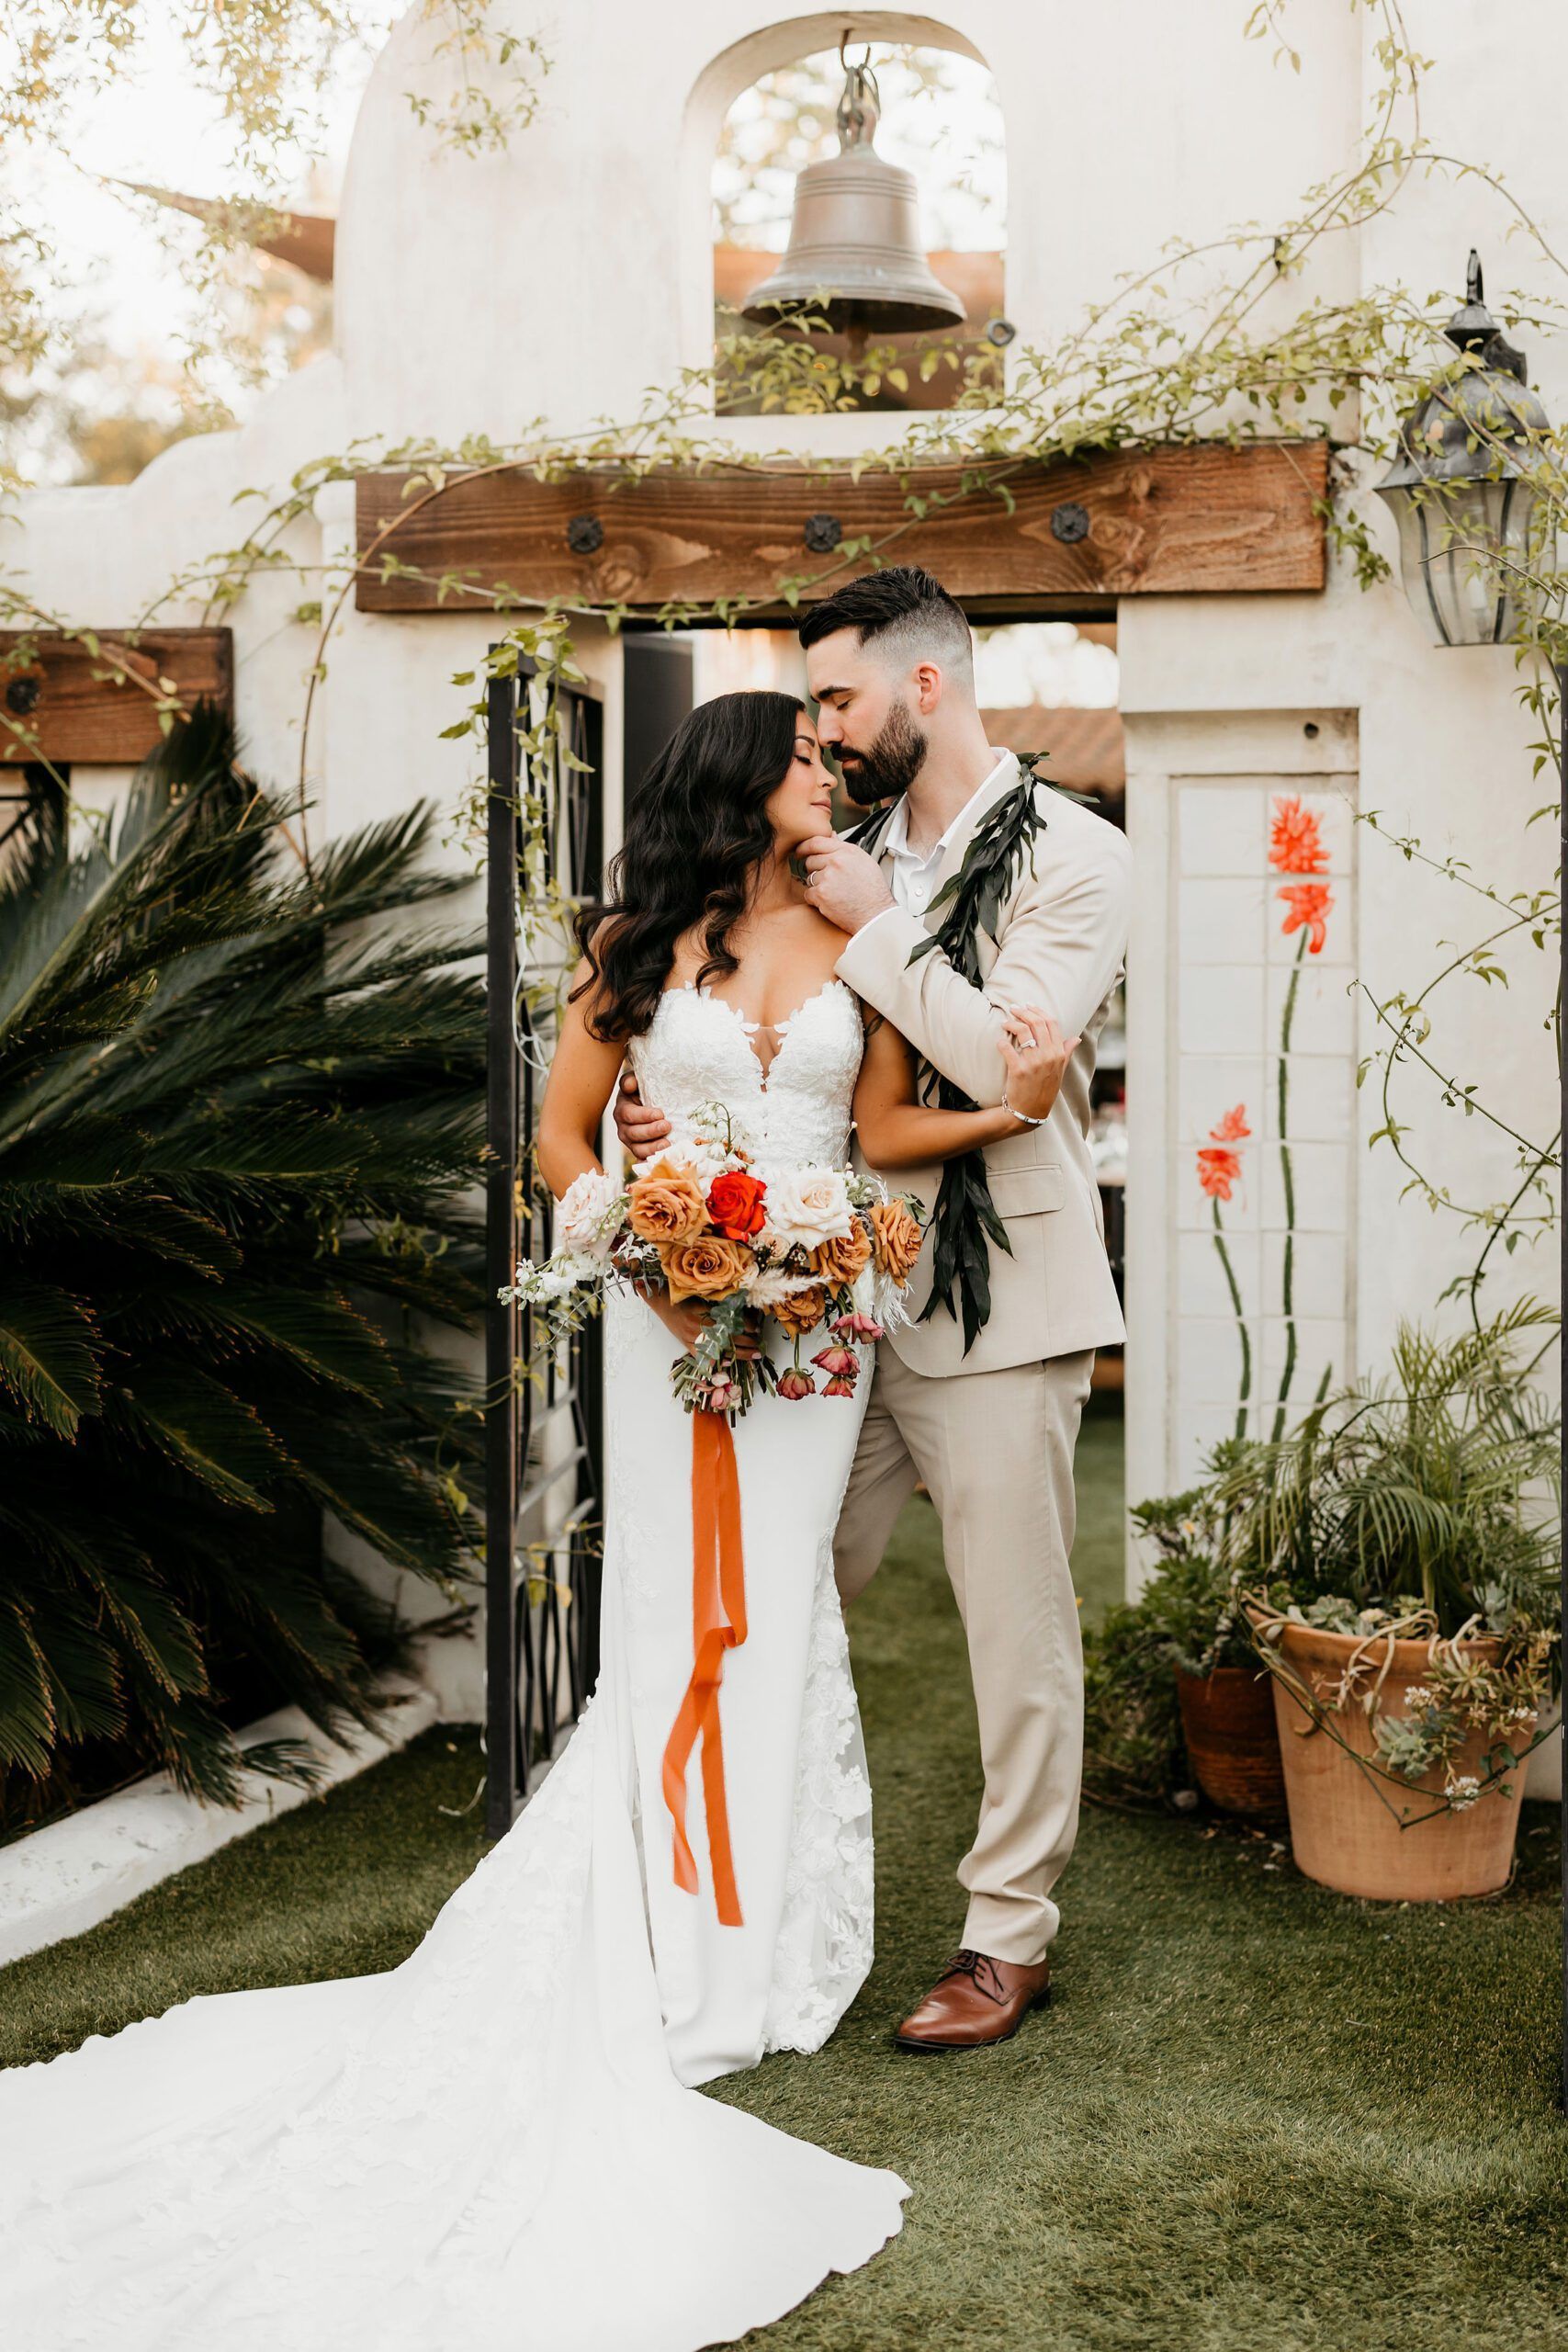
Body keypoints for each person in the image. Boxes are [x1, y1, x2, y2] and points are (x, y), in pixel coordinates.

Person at [0, 688, 1072, 2352]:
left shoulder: (866, 928)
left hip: (817, 1339)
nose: (827, 775)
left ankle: (758, 1949)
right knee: (668, 1617)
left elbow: (867, 1140)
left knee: (772, 1614)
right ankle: (662, 1943)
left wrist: (993, 1125)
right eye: (802, 756)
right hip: (663, 1321)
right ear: (735, 777)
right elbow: (555, 1141)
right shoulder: (632, 945)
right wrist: (638, 1228)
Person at [616, 568, 1132, 2054]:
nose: (822, 736)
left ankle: (1004, 1936)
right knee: (775, 1589)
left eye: (836, 699)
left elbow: (998, 1070)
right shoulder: (825, 847)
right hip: (817, 1320)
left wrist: (881, 929)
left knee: (1010, 1627)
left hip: (997, 1304)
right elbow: (790, 1058)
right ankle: (733, 1887)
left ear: (922, 687)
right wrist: (673, 1149)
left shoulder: (1077, 861)